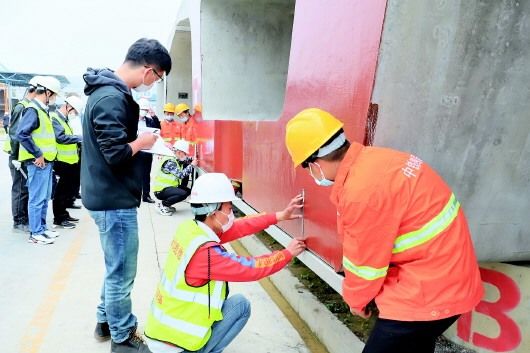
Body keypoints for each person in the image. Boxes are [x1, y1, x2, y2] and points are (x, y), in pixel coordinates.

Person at [284, 108, 484, 353]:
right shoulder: (380, 160)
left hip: (428, 290)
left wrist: (357, 302)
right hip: (448, 276)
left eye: (306, 168)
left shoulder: (361, 193)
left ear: (314, 163)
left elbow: (365, 266)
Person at [144, 172, 306, 353]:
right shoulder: (206, 254)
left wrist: (280, 216)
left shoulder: (191, 229)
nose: (232, 214)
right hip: (179, 345)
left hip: (161, 332)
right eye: (229, 209)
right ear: (214, 211)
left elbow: (241, 226)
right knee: (241, 306)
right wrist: (287, 253)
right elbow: (251, 268)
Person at [82, 38, 171, 353]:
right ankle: (123, 338)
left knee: (114, 266)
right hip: (113, 200)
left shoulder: (106, 90)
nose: (154, 84)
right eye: (158, 78)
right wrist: (143, 142)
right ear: (150, 70)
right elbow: (116, 155)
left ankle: (105, 321)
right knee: (122, 272)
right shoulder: (110, 97)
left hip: (106, 195)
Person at [16, 76, 61, 245]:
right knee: (36, 198)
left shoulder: (42, 110)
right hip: (38, 162)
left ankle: (41, 228)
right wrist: (37, 154)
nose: (55, 98)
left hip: (46, 162)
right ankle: (35, 233)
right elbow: (22, 134)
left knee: (44, 197)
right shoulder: (32, 109)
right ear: (48, 93)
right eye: (54, 94)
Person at [6, 76, 41, 233]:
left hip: (23, 156)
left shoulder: (29, 106)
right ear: (34, 91)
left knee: (25, 189)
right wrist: (15, 157)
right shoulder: (22, 107)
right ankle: (19, 221)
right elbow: (15, 134)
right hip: (17, 157)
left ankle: (24, 218)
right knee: (20, 189)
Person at [50, 95, 83, 229]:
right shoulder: (55, 118)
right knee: (61, 191)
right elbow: (60, 138)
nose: (74, 114)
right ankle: (59, 218)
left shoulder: (64, 119)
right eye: (74, 111)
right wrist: (79, 138)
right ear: (68, 107)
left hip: (70, 161)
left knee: (68, 189)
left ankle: (64, 213)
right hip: (61, 161)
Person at [152, 139, 196, 216]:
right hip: (161, 191)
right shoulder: (170, 161)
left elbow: (184, 160)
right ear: (179, 152)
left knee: (188, 191)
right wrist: (192, 165)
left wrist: (191, 159)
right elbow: (181, 175)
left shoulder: (174, 157)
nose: (185, 156)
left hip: (168, 188)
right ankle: (163, 205)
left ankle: (166, 205)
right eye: (185, 153)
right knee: (183, 194)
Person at [138, 98, 161, 204]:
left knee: (146, 174)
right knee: (134, 174)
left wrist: (154, 115)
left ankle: (146, 195)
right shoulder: (131, 120)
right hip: (135, 151)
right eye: (143, 109)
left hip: (147, 152)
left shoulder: (149, 121)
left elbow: (158, 128)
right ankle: (135, 195)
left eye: (146, 110)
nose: (144, 112)